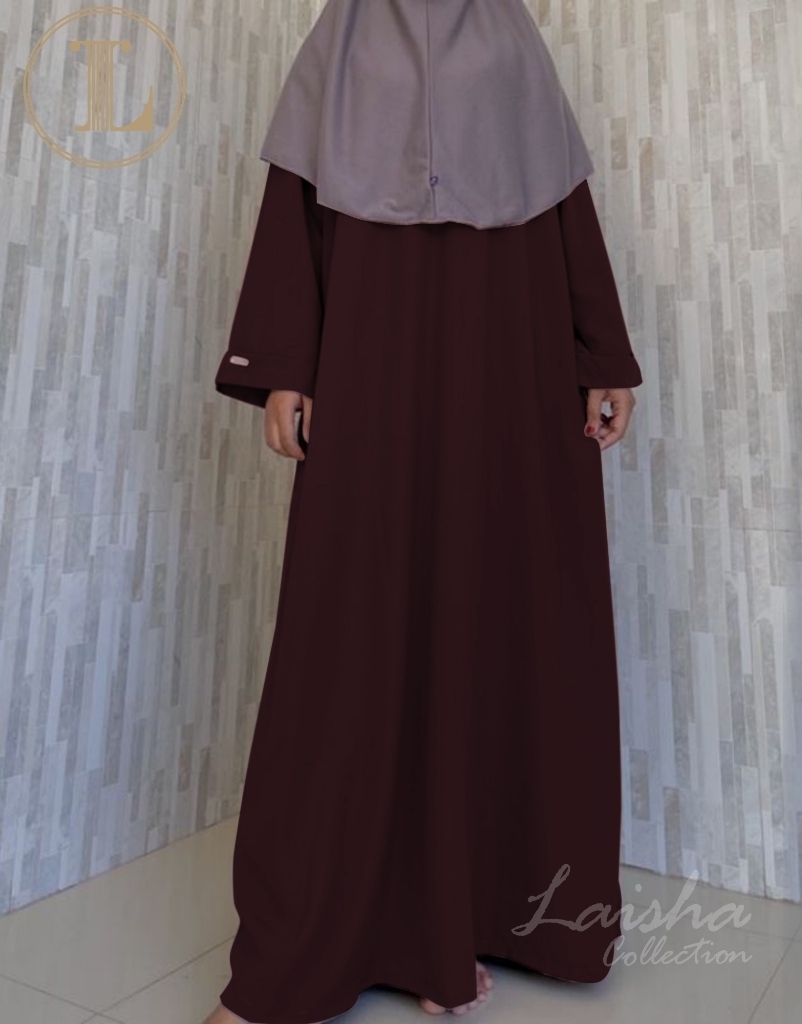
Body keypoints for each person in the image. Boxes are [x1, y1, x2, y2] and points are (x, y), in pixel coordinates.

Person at [204, 1, 642, 1021]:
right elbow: (295, 202)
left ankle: (472, 921)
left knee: (500, 620)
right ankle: (307, 948)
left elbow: (561, 205)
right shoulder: (343, 36)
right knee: (350, 632)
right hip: (371, 358)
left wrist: (601, 356)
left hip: (510, 366)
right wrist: (285, 366)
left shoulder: (511, 39)